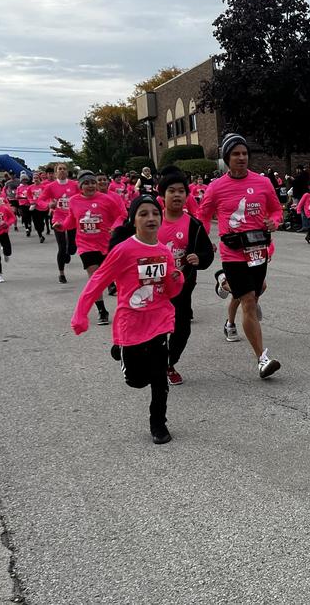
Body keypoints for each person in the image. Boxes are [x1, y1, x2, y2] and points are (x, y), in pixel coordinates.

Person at [71, 195, 184, 445]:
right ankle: (120, 348)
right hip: (130, 324)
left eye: (155, 213)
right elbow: (97, 281)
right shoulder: (123, 250)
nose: (151, 218)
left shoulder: (165, 252)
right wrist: (80, 314)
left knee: (158, 378)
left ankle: (158, 424)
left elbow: (171, 291)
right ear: (134, 220)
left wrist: (176, 279)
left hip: (159, 322)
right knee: (136, 380)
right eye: (143, 214)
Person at [197, 133, 282, 378]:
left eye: (244, 153)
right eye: (236, 154)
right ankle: (262, 360)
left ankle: (224, 286)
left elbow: (277, 210)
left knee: (257, 291)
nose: (242, 158)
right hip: (233, 253)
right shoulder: (216, 187)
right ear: (226, 158)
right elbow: (203, 216)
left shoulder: (263, 183)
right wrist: (204, 243)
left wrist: (274, 221)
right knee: (249, 302)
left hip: (258, 251)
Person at [156, 168, 214, 385]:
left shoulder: (194, 225)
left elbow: (206, 252)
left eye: (181, 191)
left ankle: (169, 363)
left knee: (182, 329)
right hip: (154, 287)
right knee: (157, 327)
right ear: (163, 195)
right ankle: (154, 361)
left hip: (182, 286)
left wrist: (200, 258)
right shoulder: (150, 219)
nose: (178, 195)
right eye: (172, 191)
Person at [61, 171, 126, 320]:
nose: (90, 186)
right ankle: (102, 311)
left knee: (115, 276)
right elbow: (71, 220)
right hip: (85, 245)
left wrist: (115, 227)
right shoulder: (74, 201)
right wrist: (61, 226)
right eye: (86, 183)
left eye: (92, 183)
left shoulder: (106, 199)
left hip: (106, 244)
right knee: (94, 277)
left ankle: (124, 307)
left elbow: (121, 216)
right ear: (80, 186)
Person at [43, 162, 79, 284]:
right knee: (61, 247)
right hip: (58, 218)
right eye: (60, 169)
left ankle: (69, 250)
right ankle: (61, 273)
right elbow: (41, 200)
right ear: (56, 172)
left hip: (72, 217)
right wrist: (48, 204)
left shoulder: (75, 185)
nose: (62, 171)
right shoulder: (51, 186)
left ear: (67, 171)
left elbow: (81, 197)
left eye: (64, 169)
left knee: (73, 247)